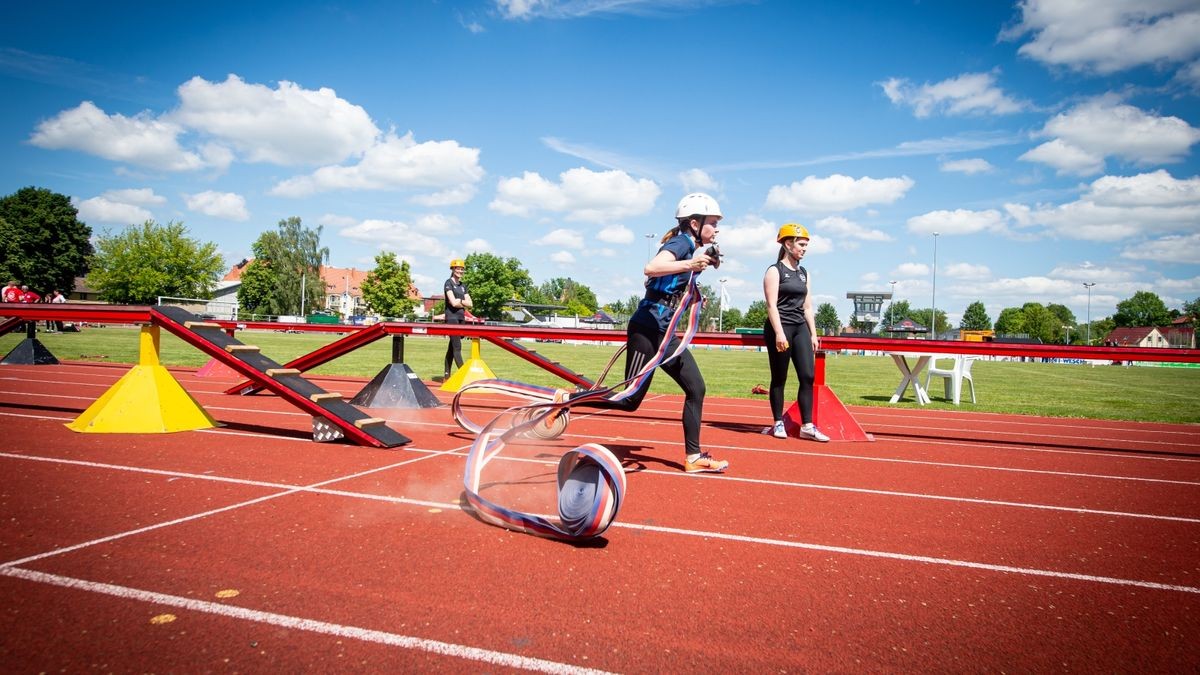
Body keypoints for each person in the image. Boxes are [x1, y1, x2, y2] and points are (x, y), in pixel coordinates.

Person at [567, 193, 728, 473]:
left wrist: (701, 268)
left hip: (664, 331)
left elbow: (671, 280)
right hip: (648, 327)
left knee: (696, 388)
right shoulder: (680, 243)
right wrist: (691, 264)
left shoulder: (689, 246)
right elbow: (651, 268)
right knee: (629, 400)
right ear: (694, 223)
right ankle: (567, 400)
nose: (716, 229)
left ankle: (693, 457)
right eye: (712, 223)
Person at [763, 223, 829, 442]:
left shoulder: (803, 273)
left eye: (806, 245)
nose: (804, 249)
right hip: (780, 328)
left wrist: (813, 333)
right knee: (779, 377)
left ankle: (807, 426)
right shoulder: (774, 271)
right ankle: (777, 422)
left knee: (808, 376)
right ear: (788, 244)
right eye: (801, 244)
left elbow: (807, 306)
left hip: (800, 327)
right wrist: (779, 333)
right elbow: (771, 306)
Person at [443, 258, 473, 380]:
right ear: (453, 269)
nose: (460, 270)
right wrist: (463, 302)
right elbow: (453, 303)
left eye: (462, 269)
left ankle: (446, 374)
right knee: (457, 347)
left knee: (452, 347)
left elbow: (470, 304)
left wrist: (460, 302)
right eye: (457, 268)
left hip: (461, 318)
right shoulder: (448, 283)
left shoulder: (463, 286)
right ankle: (464, 375)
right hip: (452, 318)